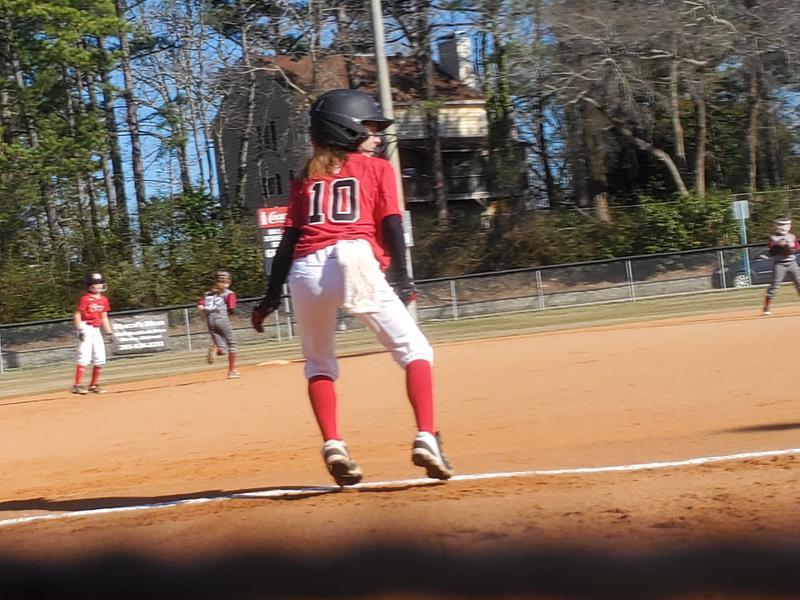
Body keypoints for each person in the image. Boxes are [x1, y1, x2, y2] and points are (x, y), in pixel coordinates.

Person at [250, 88, 454, 486]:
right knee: (414, 350)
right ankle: (426, 436)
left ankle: (334, 444)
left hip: (306, 270)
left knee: (319, 365)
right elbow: (393, 224)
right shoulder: (377, 169)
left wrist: (271, 296)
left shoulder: (306, 175)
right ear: (345, 129)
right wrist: (403, 277)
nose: (378, 136)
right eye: (371, 128)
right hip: (353, 258)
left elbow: (289, 241)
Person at [72, 272, 113, 394]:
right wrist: (80, 329)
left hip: (96, 329)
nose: (99, 285)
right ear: (89, 286)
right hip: (86, 327)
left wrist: (109, 332)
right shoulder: (85, 299)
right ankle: (77, 385)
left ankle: (93, 385)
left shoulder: (104, 299)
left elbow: (104, 317)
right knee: (84, 355)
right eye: (96, 283)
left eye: (100, 283)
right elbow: (77, 314)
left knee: (100, 357)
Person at [198, 270, 240, 379]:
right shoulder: (229, 293)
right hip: (221, 318)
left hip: (210, 320)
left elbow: (200, 306)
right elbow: (231, 308)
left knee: (222, 348)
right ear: (227, 281)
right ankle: (232, 371)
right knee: (232, 344)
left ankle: (217, 349)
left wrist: (205, 317)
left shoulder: (207, 294)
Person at [762, 216, 800, 316]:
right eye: (780, 225)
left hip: (792, 263)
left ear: (789, 226)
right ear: (776, 226)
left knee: (799, 283)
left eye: (785, 225)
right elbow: (772, 251)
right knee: (774, 285)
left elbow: (796, 248)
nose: (783, 227)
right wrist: (779, 246)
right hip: (779, 265)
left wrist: (788, 248)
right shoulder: (773, 238)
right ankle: (766, 307)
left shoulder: (792, 237)